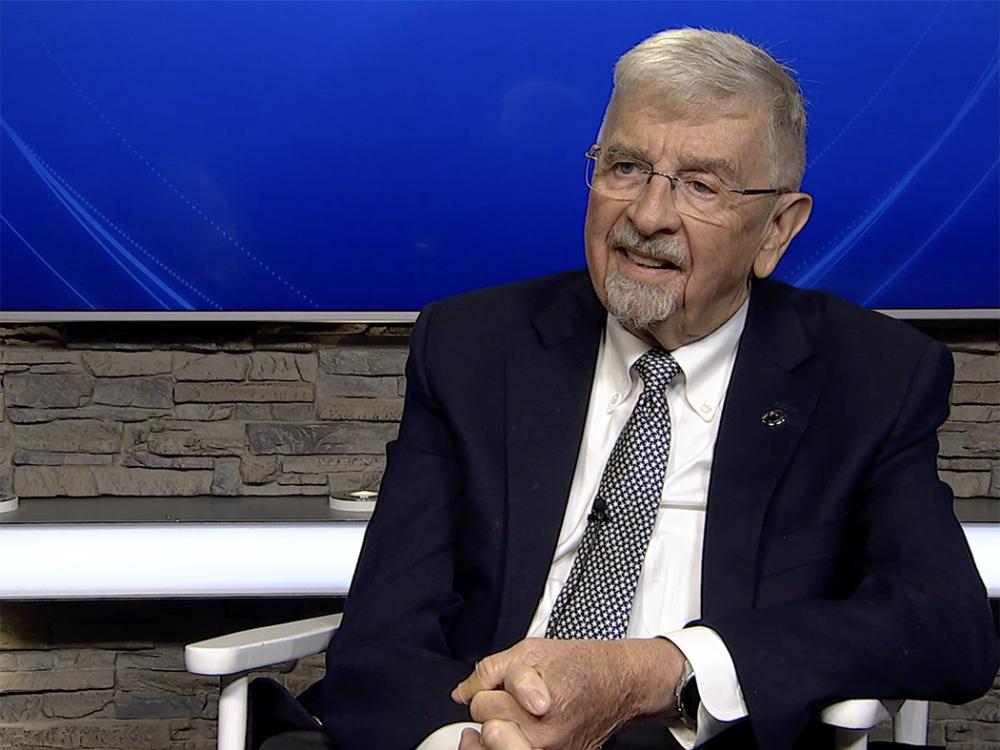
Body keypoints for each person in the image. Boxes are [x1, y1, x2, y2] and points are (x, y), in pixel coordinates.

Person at [254, 28, 998, 750]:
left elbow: (947, 627)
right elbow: (383, 637)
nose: (646, 216)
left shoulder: (869, 375)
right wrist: (468, 741)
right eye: (625, 168)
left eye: (701, 185)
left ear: (776, 230)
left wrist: (665, 667)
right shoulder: (474, 348)